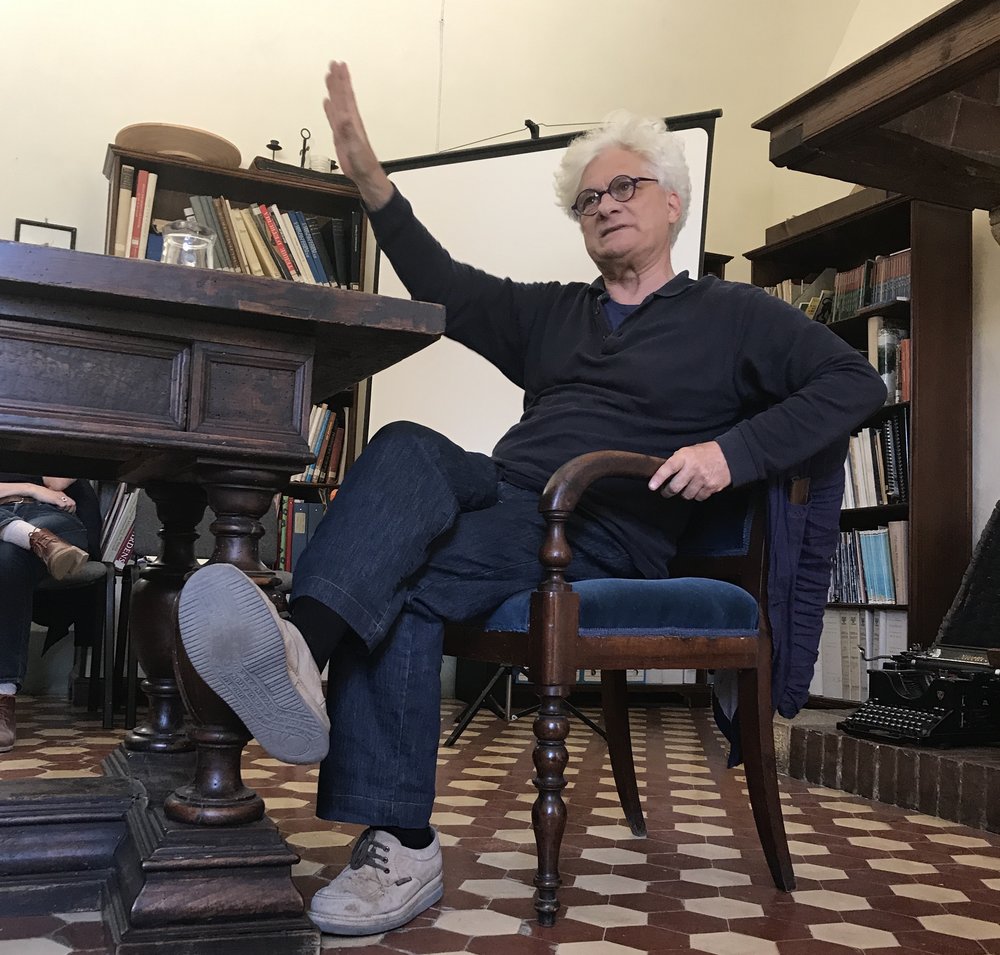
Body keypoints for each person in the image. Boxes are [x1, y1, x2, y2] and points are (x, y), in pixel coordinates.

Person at [177, 60, 887, 937]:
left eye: (625, 186)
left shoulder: (734, 316)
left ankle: (396, 837)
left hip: (599, 523)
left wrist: (730, 452)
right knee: (402, 447)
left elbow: (853, 383)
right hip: (510, 495)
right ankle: (304, 651)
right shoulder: (555, 313)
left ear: (674, 202)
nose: (605, 206)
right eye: (588, 200)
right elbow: (443, 281)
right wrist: (369, 180)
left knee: (407, 578)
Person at [0, 475, 90, 752]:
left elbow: (58, 482)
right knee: (7, 559)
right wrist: (31, 488)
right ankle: (35, 540)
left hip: (51, 516)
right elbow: (46, 488)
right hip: (16, 519)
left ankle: (2, 697)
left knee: (7, 556)